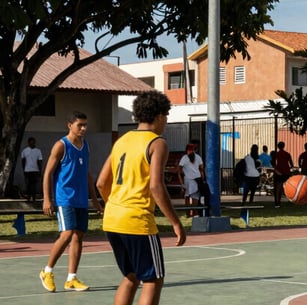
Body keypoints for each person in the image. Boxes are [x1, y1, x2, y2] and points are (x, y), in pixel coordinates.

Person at [96, 91, 186, 305]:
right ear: (160, 116)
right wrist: (176, 222)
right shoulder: (157, 143)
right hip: (137, 220)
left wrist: (115, 204)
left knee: (131, 276)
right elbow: (156, 185)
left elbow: (101, 182)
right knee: (153, 279)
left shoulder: (122, 140)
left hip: (112, 219)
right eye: (166, 116)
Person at [39, 111, 104, 293]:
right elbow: (48, 173)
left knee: (78, 236)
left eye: (85, 125)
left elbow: (87, 175)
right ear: (70, 125)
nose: (83, 128)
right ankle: (47, 271)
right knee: (67, 234)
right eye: (79, 125)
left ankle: (71, 278)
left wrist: (95, 200)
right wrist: (47, 199)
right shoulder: (61, 146)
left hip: (81, 199)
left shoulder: (85, 146)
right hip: (65, 198)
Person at [177, 143, 204, 217]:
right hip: (197, 179)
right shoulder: (198, 157)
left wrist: (181, 183)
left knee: (187, 197)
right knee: (195, 197)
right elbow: (201, 169)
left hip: (188, 180)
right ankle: (193, 212)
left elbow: (179, 170)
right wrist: (203, 179)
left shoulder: (184, 158)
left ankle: (188, 214)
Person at [21, 137, 43, 202]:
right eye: (31, 142)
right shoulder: (25, 151)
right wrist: (24, 169)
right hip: (27, 170)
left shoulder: (38, 151)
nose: (32, 144)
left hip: (35, 170)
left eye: (33, 142)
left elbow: (40, 161)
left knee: (34, 185)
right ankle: (28, 197)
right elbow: (23, 161)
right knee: (28, 184)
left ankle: (33, 197)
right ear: (28, 143)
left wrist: (40, 170)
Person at [272, 141, 293, 208]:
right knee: (290, 187)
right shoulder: (287, 154)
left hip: (279, 172)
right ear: (284, 146)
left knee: (278, 188)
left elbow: (273, 163)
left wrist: (276, 169)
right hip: (287, 172)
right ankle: (292, 199)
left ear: (278, 147)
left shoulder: (276, 154)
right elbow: (291, 164)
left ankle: (277, 203)